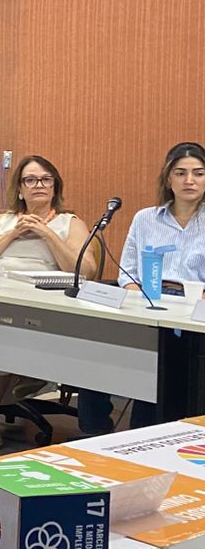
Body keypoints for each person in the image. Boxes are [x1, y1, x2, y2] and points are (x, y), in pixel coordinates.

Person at [0, 155, 97, 446]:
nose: (38, 185)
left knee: (1, 334)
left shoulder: (70, 223)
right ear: (20, 189)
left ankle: (21, 382)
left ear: (55, 186)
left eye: (45, 179)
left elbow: (85, 271)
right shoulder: (2, 221)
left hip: (44, 303)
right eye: (30, 180)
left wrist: (47, 233)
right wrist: (12, 234)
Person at [77, 142, 205, 435]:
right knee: (94, 353)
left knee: (164, 365)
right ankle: (95, 433)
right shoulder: (145, 218)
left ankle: (149, 432)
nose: (189, 180)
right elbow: (128, 272)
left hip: (194, 315)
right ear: (168, 179)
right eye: (180, 173)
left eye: (198, 173)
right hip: (147, 306)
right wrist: (139, 297)